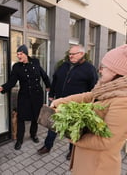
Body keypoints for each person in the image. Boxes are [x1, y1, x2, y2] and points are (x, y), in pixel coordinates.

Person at [50, 44, 127, 175]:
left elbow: (106, 141)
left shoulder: (123, 100)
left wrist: (75, 138)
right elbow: (87, 95)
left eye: (103, 67)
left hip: (98, 166)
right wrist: (60, 101)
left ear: (115, 71)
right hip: (87, 159)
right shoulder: (106, 86)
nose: (100, 70)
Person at [37, 44, 98, 160]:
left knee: (73, 130)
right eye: (69, 54)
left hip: (75, 107)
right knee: (53, 125)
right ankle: (47, 146)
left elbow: (93, 90)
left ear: (81, 54)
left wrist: (90, 106)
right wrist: (51, 94)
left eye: (73, 54)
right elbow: (55, 80)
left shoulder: (89, 69)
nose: (70, 56)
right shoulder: (64, 65)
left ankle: (72, 151)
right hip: (59, 102)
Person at [0, 44, 50, 150]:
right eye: (17, 54)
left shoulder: (35, 62)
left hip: (36, 95)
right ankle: (19, 140)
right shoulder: (16, 67)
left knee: (36, 117)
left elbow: (43, 75)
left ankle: (33, 134)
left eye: (20, 54)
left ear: (26, 54)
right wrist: (3, 88)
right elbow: (12, 82)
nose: (19, 56)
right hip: (24, 96)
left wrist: (48, 86)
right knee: (21, 118)